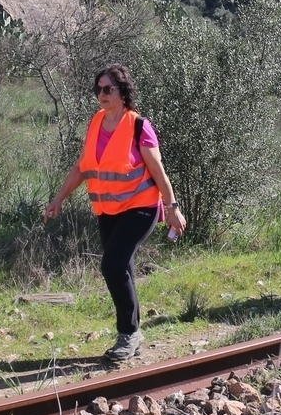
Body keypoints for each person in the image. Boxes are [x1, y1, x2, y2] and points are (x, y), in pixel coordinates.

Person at [44, 65, 187, 361]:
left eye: (108, 88)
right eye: (98, 89)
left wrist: (172, 208)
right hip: (108, 211)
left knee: (112, 266)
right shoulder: (96, 122)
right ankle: (135, 336)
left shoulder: (139, 126)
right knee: (123, 269)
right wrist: (59, 198)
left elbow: (158, 171)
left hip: (141, 208)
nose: (102, 93)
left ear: (123, 92)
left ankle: (128, 334)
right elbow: (83, 166)